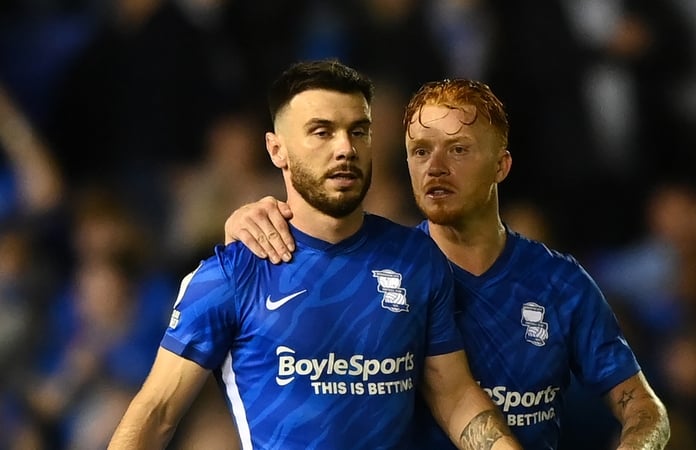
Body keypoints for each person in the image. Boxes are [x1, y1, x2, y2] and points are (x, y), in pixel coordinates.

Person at [224, 78, 671, 449]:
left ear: (502, 165)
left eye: (457, 149)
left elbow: (642, 406)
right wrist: (244, 226)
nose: (435, 166)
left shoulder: (560, 282)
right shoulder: (374, 268)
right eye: (420, 151)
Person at [108, 60, 521, 450]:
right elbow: (157, 411)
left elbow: (453, 394)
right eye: (322, 132)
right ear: (277, 150)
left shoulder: (416, 258)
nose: (345, 148)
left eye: (359, 131)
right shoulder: (232, 273)